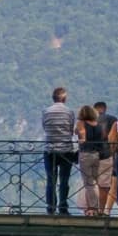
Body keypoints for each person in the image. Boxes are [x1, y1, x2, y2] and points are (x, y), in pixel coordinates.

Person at [40, 87, 74, 215]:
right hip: (66, 150)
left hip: (50, 150)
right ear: (64, 98)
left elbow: (45, 127)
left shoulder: (46, 112)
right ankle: (63, 207)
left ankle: (50, 207)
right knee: (64, 180)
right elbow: (71, 130)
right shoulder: (69, 112)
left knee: (51, 180)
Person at [75, 105, 105, 215]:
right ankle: (92, 208)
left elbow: (82, 136)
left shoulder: (81, 123)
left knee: (89, 183)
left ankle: (93, 208)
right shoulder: (98, 125)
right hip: (96, 155)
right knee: (94, 181)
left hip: (85, 155)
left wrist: (79, 136)